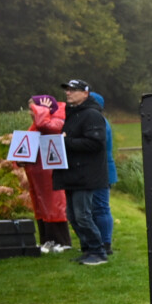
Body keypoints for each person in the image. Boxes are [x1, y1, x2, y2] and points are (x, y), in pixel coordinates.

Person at [53, 80, 110, 266]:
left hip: (86, 174)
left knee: (83, 216)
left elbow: (96, 143)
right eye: (67, 90)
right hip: (71, 173)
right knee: (72, 216)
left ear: (85, 93)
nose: (68, 93)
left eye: (73, 90)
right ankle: (87, 249)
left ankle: (98, 252)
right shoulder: (72, 114)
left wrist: (66, 142)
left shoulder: (92, 115)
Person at [24, 95, 70, 252]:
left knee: (54, 205)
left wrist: (42, 111)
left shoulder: (55, 120)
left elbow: (47, 127)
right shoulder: (36, 124)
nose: (31, 113)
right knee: (41, 206)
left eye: (33, 109)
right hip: (37, 173)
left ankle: (61, 241)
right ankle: (46, 239)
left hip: (50, 172)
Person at [87, 91, 115, 256]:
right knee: (94, 208)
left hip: (102, 170)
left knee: (101, 207)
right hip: (98, 169)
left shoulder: (100, 123)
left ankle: (105, 243)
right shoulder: (98, 121)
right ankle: (98, 241)